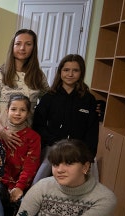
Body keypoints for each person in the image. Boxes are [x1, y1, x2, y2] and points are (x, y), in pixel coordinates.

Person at [32, 54, 99, 184]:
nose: (70, 74)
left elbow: (92, 130)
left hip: (79, 151)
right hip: (53, 148)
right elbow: (38, 125)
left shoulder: (88, 99)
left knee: (85, 183)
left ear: (81, 72)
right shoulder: (49, 97)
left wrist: (89, 155)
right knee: (39, 182)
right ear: (60, 72)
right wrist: (53, 142)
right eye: (66, 70)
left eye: (75, 70)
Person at [0, 29, 48, 149]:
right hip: (2, 135)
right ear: (12, 46)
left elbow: (50, 100)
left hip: (27, 137)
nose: (22, 48)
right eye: (18, 43)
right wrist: (2, 131)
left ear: (33, 48)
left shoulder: (39, 76)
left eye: (28, 44)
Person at [0, 94, 41, 216]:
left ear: (28, 113)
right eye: (14, 109)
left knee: (21, 207)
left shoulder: (33, 138)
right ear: (7, 110)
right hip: (0, 182)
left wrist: (19, 187)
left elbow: (30, 166)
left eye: (22, 110)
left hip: (22, 184)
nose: (17, 113)